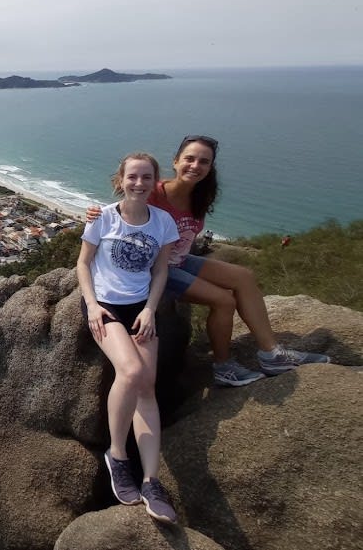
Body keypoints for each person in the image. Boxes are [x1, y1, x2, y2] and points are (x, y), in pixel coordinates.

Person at [87, 135, 329, 387]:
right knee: (224, 301)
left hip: (179, 259)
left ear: (210, 167)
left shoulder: (201, 196)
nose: (195, 165)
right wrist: (96, 212)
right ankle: (223, 367)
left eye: (204, 161)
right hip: (154, 269)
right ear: (176, 161)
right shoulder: (155, 192)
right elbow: (124, 208)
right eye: (189, 159)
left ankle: (271, 354)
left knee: (243, 276)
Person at [77, 152, 180, 524]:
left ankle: (151, 480)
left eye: (147, 177)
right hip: (106, 305)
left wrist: (151, 308)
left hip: (141, 308)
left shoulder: (163, 223)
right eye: (133, 176)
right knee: (133, 372)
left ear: (156, 182)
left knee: (147, 387)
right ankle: (117, 454)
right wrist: (90, 305)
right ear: (120, 179)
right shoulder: (102, 218)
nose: (139, 183)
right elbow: (83, 263)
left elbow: (162, 269)